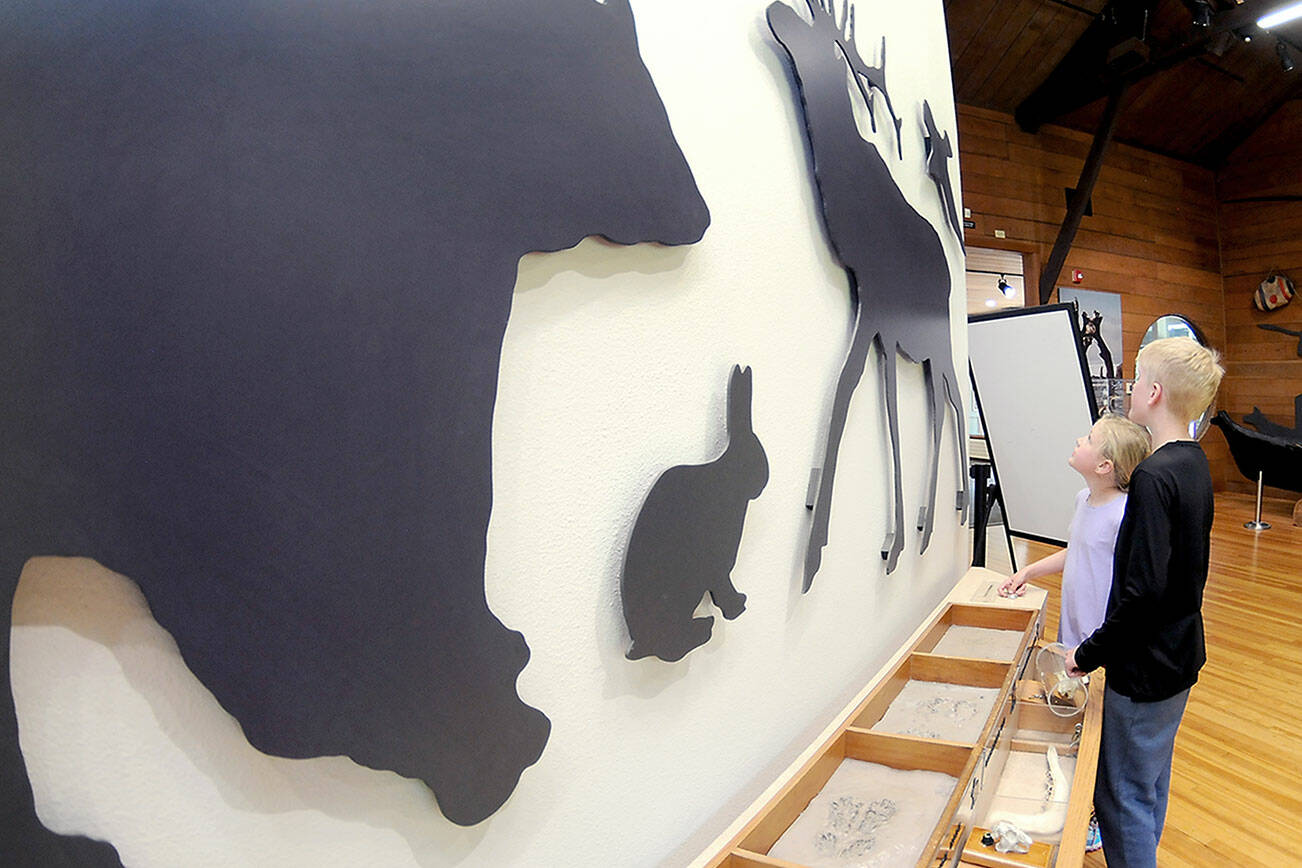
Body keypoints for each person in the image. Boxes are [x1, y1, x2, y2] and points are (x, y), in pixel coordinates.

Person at [1066, 337, 1225, 868]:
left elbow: (1142, 595)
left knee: (1121, 798)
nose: (1130, 388)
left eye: (1135, 379)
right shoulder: (1193, 462)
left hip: (1146, 669)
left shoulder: (1154, 477)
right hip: (1180, 657)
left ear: (1154, 393)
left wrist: (1086, 654)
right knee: (1149, 783)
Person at [998, 413, 1152, 650]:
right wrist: (1027, 573)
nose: (1079, 440)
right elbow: (1077, 551)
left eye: (1089, 439)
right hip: (1072, 626)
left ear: (1104, 466)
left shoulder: (1123, 514)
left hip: (1101, 636)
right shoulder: (1083, 498)